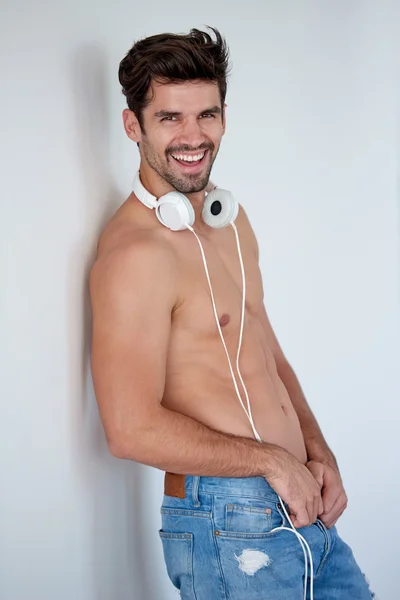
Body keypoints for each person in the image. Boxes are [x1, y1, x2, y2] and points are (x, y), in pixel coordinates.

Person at [89, 27, 374, 599]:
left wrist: (317, 451)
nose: (193, 137)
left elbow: (264, 347)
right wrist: (271, 461)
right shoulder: (136, 256)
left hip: (297, 500)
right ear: (133, 126)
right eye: (170, 118)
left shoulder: (227, 221)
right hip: (226, 519)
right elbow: (129, 429)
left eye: (207, 115)